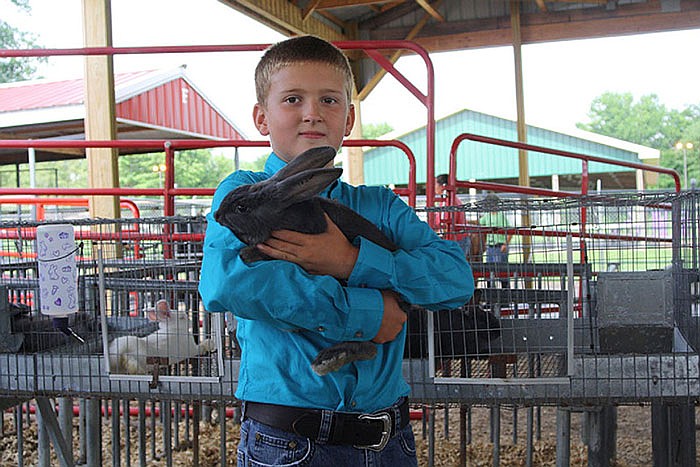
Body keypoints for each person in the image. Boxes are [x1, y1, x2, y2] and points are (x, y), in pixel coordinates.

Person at [199, 35, 473, 466]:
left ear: (348, 119)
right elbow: (228, 282)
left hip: (388, 439)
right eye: (292, 99)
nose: (312, 113)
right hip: (288, 439)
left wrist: (347, 260)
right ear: (261, 117)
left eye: (329, 100)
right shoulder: (243, 194)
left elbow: (456, 278)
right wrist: (365, 312)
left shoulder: (380, 205)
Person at [434, 173, 472, 258]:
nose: (434, 186)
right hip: (459, 239)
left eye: (435, 183)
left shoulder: (448, 202)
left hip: (455, 240)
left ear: (443, 186)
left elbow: (446, 225)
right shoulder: (451, 200)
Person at [479, 193, 512, 288]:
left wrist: (505, 244)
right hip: (490, 247)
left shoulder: (501, 216)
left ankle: (505, 295)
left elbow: (510, 231)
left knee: (502, 272)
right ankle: (491, 295)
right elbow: (480, 225)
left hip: (500, 246)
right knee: (489, 272)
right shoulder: (486, 216)